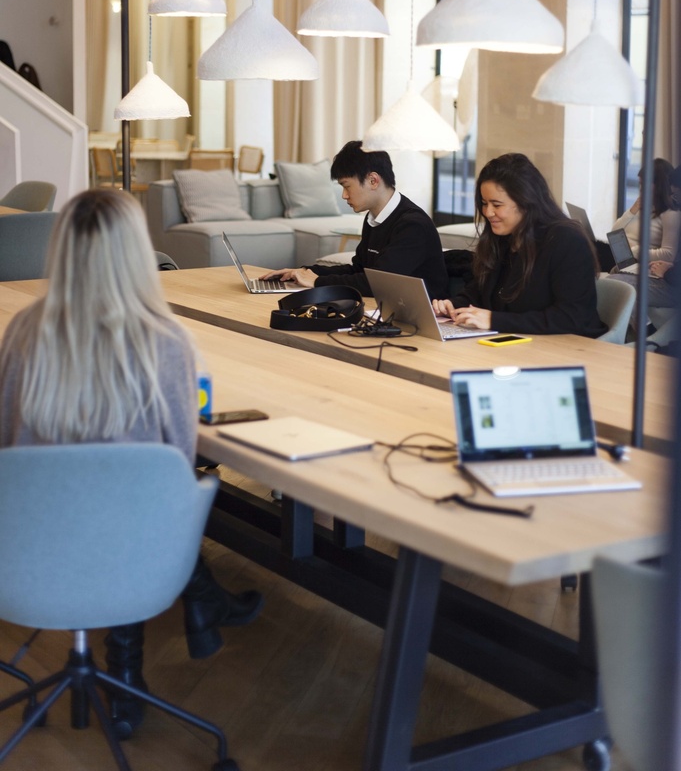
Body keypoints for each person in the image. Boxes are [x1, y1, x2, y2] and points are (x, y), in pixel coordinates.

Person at [0, 189, 263, 739]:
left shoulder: (22, 334)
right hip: (136, 556)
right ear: (135, 253)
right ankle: (134, 670)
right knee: (142, 502)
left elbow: (6, 445)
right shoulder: (168, 344)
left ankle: (193, 614)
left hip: (27, 551)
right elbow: (180, 461)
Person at [432, 153, 606, 337]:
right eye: (484, 203)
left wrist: (493, 320)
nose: (488, 212)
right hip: (518, 342)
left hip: (567, 348)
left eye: (497, 205)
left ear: (525, 202)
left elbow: (571, 318)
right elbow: (480, 291)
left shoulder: (567, 241)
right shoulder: (503, 236)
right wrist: (454, 306)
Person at [264, 140, 448, 297]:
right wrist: (304, 272)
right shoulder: (374, 218)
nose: (344, 195)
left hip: (424, 318)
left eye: (347, 186)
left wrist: (318, 281)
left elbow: (378, 282)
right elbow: (358, 270)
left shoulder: (413, 225)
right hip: (386, 308)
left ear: (373, 181)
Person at [609, 157, 680, 268]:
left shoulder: (670, 213)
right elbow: (614, 232)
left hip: (637, 263)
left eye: (645, 184)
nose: (641, 189)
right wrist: (632, 211)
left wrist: (634, 251)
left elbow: (668, 254)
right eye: (640, 184)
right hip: (620, 257)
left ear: (659, 185)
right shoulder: (642, 207)